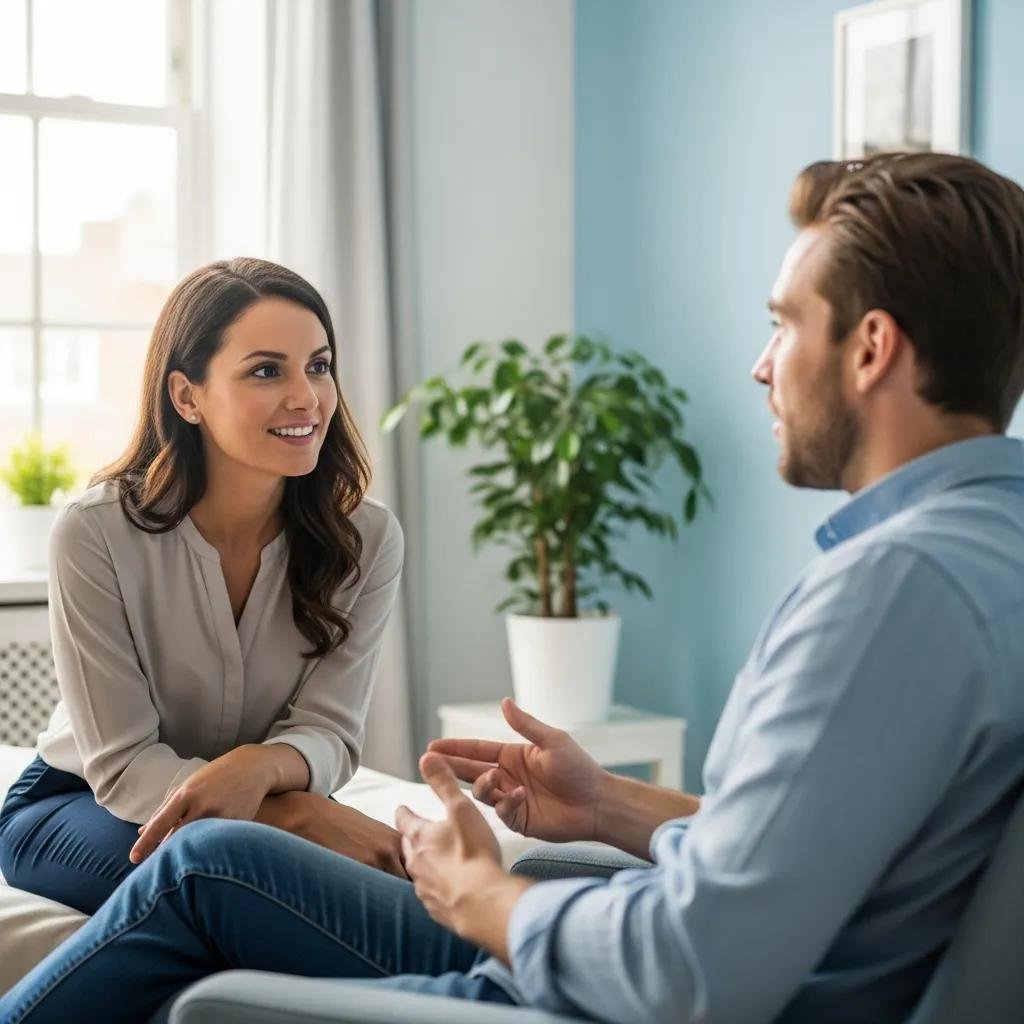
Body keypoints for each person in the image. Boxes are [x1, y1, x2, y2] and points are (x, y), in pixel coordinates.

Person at [3, 151, 1024, 1024]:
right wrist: (608, 806)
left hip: (579, 990)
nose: (760, 366)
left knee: (208, 864)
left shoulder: (886, 588)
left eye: (781, 324)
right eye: (267, 371)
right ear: (186, 394)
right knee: (222, 850)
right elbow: (797, 853)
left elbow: (691, 964)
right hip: (102, 802)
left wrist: (487, 896)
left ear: (871, 347)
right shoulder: (986, 554)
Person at [0, 258, 407, 917]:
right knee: (232, 889)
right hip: (80, 802)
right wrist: (298, 819)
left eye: (320, 365)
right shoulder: (94, 533)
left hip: (271, 798)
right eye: (267, 370)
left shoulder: (367, 538)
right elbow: (124, 766)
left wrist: (269, 778)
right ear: (186, 396)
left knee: (366, 905)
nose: (307, 397)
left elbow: (330, 731)